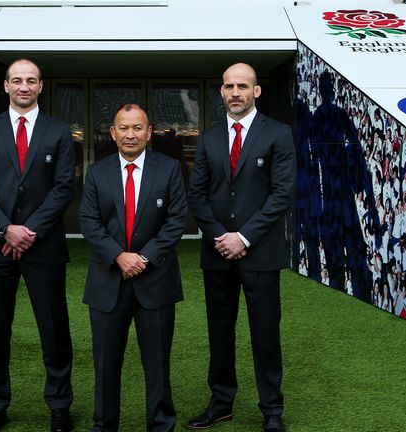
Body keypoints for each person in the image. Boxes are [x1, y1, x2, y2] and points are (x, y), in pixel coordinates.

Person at [187, 63, 295, 432]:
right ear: (221, 91)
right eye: (229, 86)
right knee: (220, 331)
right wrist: (222, 236)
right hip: (217, 252)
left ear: (256, 91)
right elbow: (197, 194)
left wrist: (244, 237)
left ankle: (272, 410)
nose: (235, 92)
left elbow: (281, 195)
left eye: (243, 86)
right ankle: (221, 402)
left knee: (265, 332)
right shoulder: (208, 138)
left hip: (260, 253)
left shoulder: (278, 134)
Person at [0, 58, 75, 432]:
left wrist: (28, 230)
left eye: (31, 81)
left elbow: (64, 188)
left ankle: (59, 406)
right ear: (6, 86)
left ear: (41, 86)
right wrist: (5, 230)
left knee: (54, 330)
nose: (24, 86)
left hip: (43, 246)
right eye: (17, 80)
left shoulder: (60, 132)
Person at [80, 104, 187, 432]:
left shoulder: (168, 169)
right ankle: (104, 425)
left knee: (157, 365)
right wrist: (118, 256)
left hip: (155, 282)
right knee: (105, 365)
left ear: (149, 132)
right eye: (123, 128)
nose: (130, 134)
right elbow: (89, 220)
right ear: (112, 133)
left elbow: (176, 220)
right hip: (107, 283)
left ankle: (160, 425)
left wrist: (143, 258)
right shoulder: (97, 172)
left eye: (137, 128)